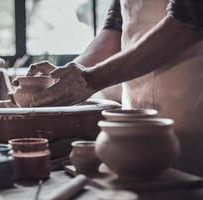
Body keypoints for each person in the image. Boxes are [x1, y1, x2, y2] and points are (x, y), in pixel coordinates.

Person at [26, 0, 203, 176]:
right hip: (135, 108)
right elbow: (114, 28)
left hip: (187, 105)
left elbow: (188, 20)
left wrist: (92, 78)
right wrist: (63, 77)